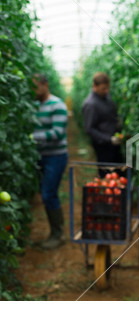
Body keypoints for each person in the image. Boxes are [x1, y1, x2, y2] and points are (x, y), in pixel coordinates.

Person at [32, 74, 68, 249]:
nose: (33, 91)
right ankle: (54, 232)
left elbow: (57, 133)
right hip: (40, 156)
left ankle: (58, 234)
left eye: (35, 86)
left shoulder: (57, 105)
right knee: (46, 193)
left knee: (49, 193)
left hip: (56, 156)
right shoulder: (34, 105)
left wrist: (31, 138)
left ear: (45, 85)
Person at [82, 72, 123, 177]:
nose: (107, 91)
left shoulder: (105, 98)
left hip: (114, 145)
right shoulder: (90, 104)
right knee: (107, 175)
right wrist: (109, 139)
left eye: (107, 88)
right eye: (103, 89)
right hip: (103, 147)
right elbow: (89, 129)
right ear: (94, 86)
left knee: (119, 173)